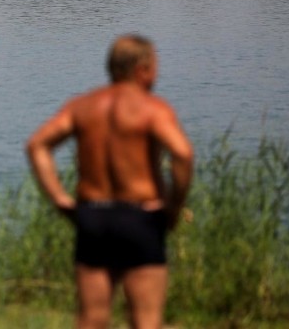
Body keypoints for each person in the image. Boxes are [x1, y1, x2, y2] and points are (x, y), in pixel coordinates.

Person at [26, 34, 194, 329]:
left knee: (92, 319)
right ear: (142, 68)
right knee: (146, 321)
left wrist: (60, 200)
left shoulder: (83, 106)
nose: (157, 74)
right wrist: (173, 207)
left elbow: (38, 145)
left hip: (94, 217)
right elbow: (182, 154)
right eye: (155, 66)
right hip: (140, 218)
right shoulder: (152, 109)